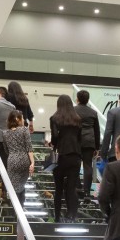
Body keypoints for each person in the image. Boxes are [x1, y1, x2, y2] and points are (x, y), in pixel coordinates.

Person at [49, 94, 83, 223]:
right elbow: (80, 137)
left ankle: (57, 217)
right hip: (75, 156)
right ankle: (72, 215)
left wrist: (54, 144)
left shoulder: (54, 118)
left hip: (61, 156)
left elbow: (55, 137)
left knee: (58, 188)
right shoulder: (77, 119)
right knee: (71, 187)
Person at [1, 110, 33, 206]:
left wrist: (13, 154)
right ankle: (21, 206)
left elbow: (6, 149)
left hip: (12, 160)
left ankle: (15, 209)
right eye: (22, 118)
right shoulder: (24, 130)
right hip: (24, 160)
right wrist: (32, 163)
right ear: (17, 119)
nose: (23, 120)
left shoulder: (5, 133)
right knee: (21, 185)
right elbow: (29, 148)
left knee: (14, 186)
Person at [74, 89, 101, 201]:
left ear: (78, 99)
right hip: (89, 141)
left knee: (75, 165)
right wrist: (97, 147)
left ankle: (77, 188)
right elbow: (97, 131)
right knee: (87, 166)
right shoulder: (93, 112)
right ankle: (86, 192)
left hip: (76, 141)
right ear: (88, 99)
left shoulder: (73, 110)